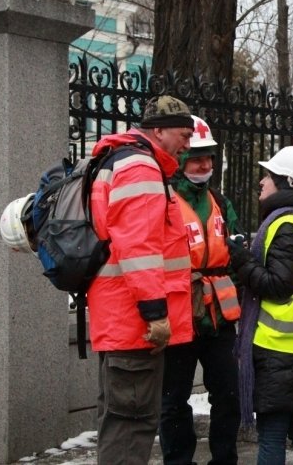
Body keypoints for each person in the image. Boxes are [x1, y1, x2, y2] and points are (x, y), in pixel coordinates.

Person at [87, 95, 194, 464]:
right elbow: (140, 249)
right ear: (158, 131)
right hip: (135, 324)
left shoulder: (117, 160)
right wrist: (155, 313)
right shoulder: (142, 168)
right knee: (132, 424)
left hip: (119, 318)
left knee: (119, 420)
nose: (188, 144)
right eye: (183, 134)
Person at [229, 145, 293, 465]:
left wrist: (242, 262)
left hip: (279, 349)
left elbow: (277, 286)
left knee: (272, 436)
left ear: (288, 184)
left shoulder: (286, 226)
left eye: (269, 176)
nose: (262, 181)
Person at [159, 115, 242, 465]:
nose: (204, 164)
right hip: (179, 313)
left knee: (228, 393)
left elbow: (236, 246)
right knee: (174, 397)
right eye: (196, 157)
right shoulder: (165, 200)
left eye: (208, 157)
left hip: (218, 315)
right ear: (179, 159)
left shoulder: (220, 201)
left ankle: (224, 459)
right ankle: (179, 461)